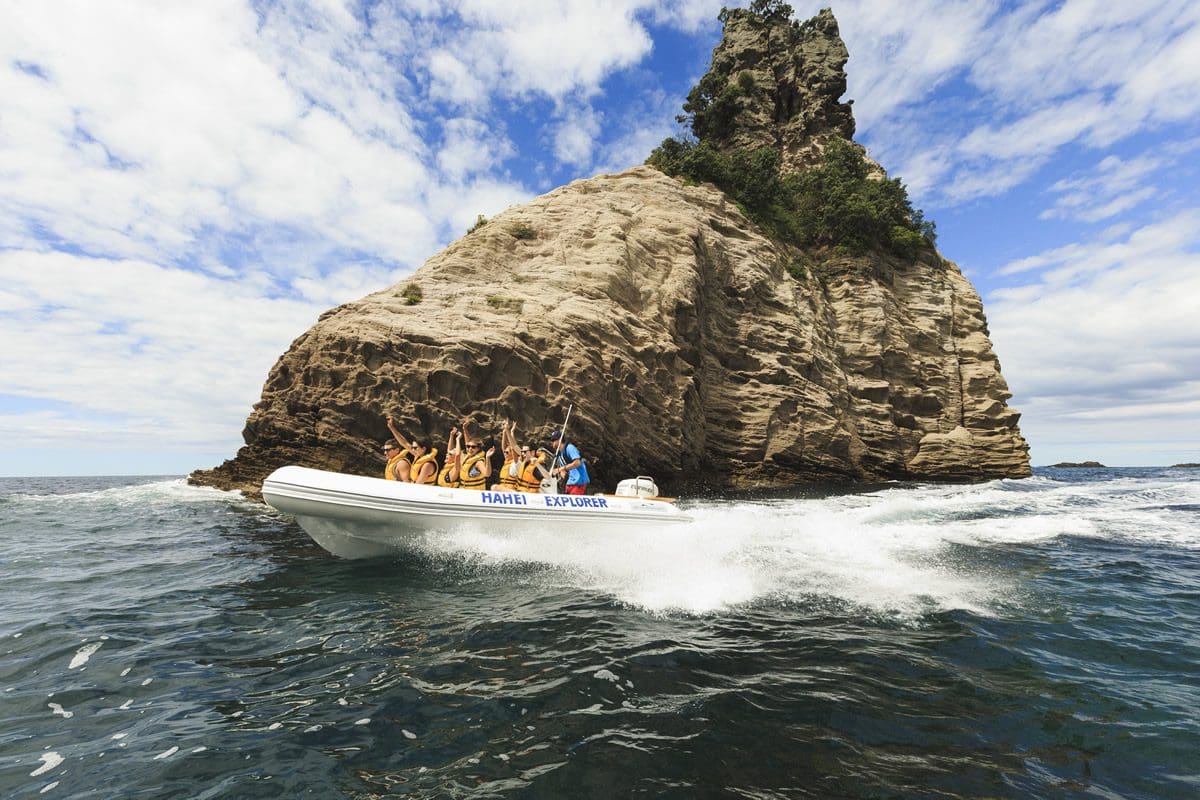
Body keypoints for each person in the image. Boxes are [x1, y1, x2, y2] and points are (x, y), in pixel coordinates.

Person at [548, 429, 589, 495]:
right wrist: (561, 472)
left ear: (559, 440)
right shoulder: (559, 454)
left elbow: (577, 463)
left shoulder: (570, 448)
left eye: (553, 440)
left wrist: (560, 469)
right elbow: (563, 469)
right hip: (569, 483)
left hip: (579, 483)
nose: (551, 442)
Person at [383, 416, 414, 481]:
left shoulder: (402, 464)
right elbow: (404, 443)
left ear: (397, 450)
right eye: (384, 450)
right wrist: (391, 427)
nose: (385, 453)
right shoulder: (391, 460)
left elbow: (407, 485)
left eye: (388, 450)